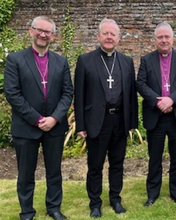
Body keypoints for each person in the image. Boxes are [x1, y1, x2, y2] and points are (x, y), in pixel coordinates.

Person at [4, 16, 73, 220]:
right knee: (26, 173)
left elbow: (68, 93)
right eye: (39, 30)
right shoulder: (15, 60)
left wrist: (54, 118)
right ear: (30, 31)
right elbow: (13, 94)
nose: (43, 34)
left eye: (48, 32)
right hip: (26, 127)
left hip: (54, 127)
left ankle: (54, 208)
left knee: (54, 172)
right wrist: (36, 119)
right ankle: (27, 211)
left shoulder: (61, 62)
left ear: (53, 35)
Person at [74, 18, 138, 218]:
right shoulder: (86, 60)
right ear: (98, 36)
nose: (109, 37)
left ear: (119, 38)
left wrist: (132, 123)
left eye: (113, 34)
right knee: (95, 165)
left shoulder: (127, 61)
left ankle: (115, 199)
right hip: (96, 122)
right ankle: (95, 203)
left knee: (117, 163)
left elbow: (131, 95)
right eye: (105, 33)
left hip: (120, 120)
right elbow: (79, 95)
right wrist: (80, 125)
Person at [136, 21, 176, 207]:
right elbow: (141, 84)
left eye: (166, 37)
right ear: (155, 40)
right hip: (156, 116)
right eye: (160, 37)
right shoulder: (146, 60)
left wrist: (171, 100)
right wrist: (158, 101)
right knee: (155, 158)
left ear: (172, 38)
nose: (163, 40)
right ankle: (152, 193)